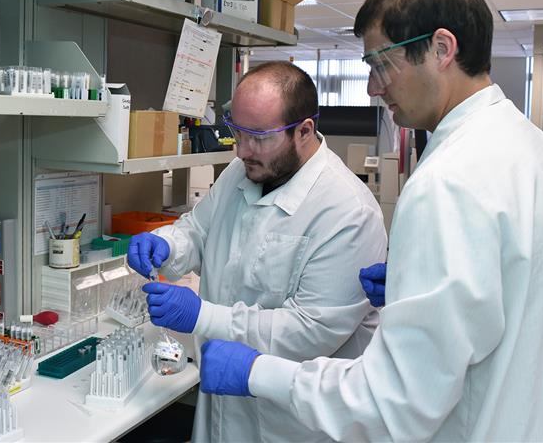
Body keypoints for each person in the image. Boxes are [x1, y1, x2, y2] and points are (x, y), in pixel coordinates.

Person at [195, 0, 543, 442]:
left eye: (381, 64)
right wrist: (412, 287)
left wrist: (259, 372)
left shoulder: (448, 179)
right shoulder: (530, 144)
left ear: (441, 49)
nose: (373, 88)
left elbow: (394, 402)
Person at [127, 61, 388, 442]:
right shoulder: (243, 170)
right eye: (237, 132)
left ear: (304, 130)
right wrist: (167, 243)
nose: (242, 150)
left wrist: (203, 316)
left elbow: (311, 330)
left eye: (259, 137)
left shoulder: (348, 212)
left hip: (292, 424)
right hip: (222, 407)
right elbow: (199, 229)